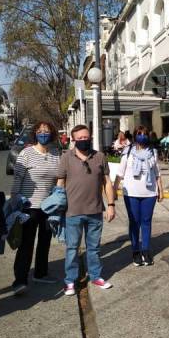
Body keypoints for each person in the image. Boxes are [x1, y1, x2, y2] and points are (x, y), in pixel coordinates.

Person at [57, 125, 116, 295]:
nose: (84, 140)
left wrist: (111, 205)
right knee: (72, 248)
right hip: (72, 213)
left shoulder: (100, 157)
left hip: (95, 211)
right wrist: (57, 207)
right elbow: (60, 184)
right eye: (80, 138)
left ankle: (96, 276)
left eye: (86, 137)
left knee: (94, 248)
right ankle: (70, 281)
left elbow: (107, 183)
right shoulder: (66, 158)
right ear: (73, 139)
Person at [11, 121, 60, 295]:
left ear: (52, 133)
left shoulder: (55, 154)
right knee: (26, 244)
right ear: (35, 134)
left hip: (49, 207)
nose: (43, 134)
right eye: (40, 131)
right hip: (28, 207)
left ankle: (41, 273)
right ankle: (20, 280)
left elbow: (58, 179)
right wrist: (16, 199)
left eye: (46, 131)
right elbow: (17, 179)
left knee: (45, 241)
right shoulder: (26, 153)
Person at [113, 125, 164, 266]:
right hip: (131, 193)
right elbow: (120, 173)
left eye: (145, 134)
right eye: (139, 134)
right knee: (134, 222)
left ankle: (146, 250)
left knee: (146, 222)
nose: (142, 136)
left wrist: (161, 190)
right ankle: (135, 251)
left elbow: (157, 173)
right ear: (135, 136)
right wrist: (114, 190)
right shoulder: (128, 151)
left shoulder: (153, 152)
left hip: (149, 193)